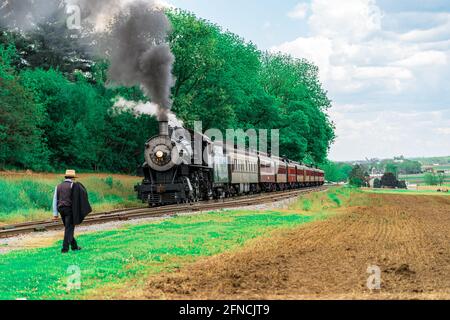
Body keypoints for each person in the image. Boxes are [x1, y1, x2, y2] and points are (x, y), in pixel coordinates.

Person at [52, 170, 92, 253]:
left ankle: (74, 246)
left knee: (68, 228)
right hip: (69, 210)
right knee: (69, 229)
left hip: (61, 209)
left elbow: (55, 199)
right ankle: (64, 249)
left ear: (65, 177)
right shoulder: (73, 185)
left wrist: (55, 214)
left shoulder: (58, 186)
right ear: (73, 178)